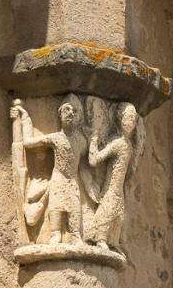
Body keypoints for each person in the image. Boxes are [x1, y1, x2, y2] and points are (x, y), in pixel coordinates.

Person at [10, 95, 85, 244]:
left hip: (73, 181)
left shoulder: (82, 141)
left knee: (75, 211)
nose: (71, 113)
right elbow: (28, 143)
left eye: (75, 111)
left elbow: (92, 160)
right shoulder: (56, 138)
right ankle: (55, 234)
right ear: (60, 114)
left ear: (79, 117)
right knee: (56, 209)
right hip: (57, 179)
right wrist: (25, 119)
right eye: (67, 109)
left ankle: (76, 235)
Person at [86, 102, 139, 251]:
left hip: (119, 189)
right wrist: (93, 141)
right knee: (108, 209)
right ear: (120, 120)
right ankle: (100, 238)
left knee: (118, 216)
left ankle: (112, 242)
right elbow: (94, 160)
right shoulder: (116, 143)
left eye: (133, 119)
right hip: (111, 187)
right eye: (128, 118)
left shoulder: (128, 144)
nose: (131, 122)